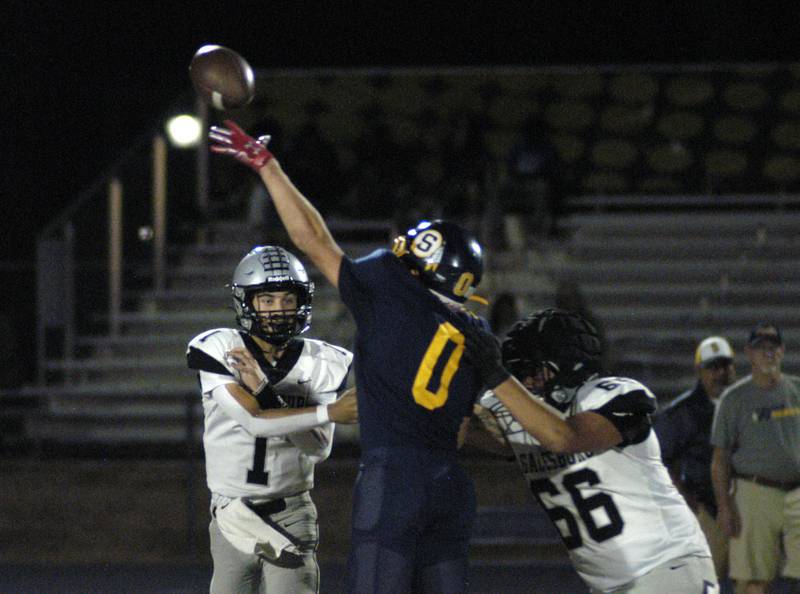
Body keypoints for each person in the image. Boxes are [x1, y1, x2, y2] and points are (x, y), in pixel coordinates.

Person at [209, 120, 490, 593]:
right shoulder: (476, 332)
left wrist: (268, 166)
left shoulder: (389, 291)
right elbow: (468, 428)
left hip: (395, 479)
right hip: (451, 485)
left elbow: (313, 239)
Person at [463, 308, 718, 594]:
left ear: (563, 366)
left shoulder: (616, 394)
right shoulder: (531, 416)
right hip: (608, 585)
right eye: (519, 374)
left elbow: (564, 438)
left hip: (667, 567)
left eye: (533, 372)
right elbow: (462, 431)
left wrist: (496, 375)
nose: (527, 383)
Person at [186, 244, 357, 594]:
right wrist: (327, 412)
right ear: (247, 303)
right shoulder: (220, 348)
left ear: (301, 302)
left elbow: (318, 448)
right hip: (232, 512)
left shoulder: (323, 360)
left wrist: (264, 390)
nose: (278, 310)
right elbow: (253, 420)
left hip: (291, 511)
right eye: (267, 300)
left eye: (287, 299)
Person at [711, 323, 800, 594]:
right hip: (754, 492)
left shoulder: (796, 389)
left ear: (782, 351)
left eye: (773, 348)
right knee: (753, 578)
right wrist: (725, 506)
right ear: (749, 354)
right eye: (761, 349)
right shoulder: (734, 399)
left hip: (798, 491)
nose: (768, 354)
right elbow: (720, 458)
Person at [654, 336, 737, 584]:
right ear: (699, 371)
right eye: (713, 367)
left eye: (725, 366)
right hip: (708, 510)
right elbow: (658, 460)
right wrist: (685, 500)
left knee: (752, 582)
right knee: (703, 583)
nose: (720, 374)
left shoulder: (745, 402)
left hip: (748, 507)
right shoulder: (684, 412)